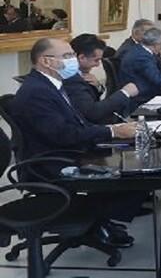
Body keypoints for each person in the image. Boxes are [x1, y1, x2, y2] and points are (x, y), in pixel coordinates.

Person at [10, 38, 140, 246]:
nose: (73, 60)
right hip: (52, 163)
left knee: (134, 156)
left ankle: (99, 221)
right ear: (46, 61)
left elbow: (78, 123)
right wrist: (112, 131)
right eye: (68, 56)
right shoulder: (37, 92)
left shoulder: (51, 84)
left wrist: (113, 132)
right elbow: (65, 135)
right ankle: (98, 221)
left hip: (67, 150)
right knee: (134, 173)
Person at [64, 34, 140, 124]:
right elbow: (93, 113)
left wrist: (98, 87)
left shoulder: (81, 74)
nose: (98, 65)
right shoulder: (71, 79)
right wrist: (125, 93)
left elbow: (91, 99)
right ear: (82, 57)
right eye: (96, 60)